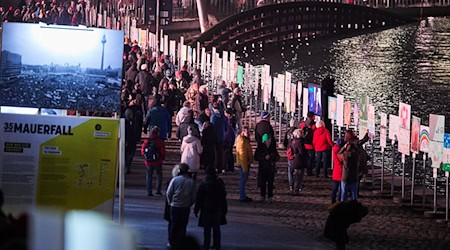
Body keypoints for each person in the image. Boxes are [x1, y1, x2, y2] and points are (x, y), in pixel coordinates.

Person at [194, 167, 228, 250]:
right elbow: (223, 196)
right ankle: (217, 245)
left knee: (207, 229)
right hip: (217, 207)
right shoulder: (219, 182)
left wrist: (196, 209)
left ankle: (206, 244)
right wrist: (224, 209)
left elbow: (199, 198)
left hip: (206, 208)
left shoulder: (204, 183)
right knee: (216, 228)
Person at [166, 163, 196, 249]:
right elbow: (193, 195)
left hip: (175, 205)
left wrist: (170, 202)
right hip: (185, 206)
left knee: (174, 225)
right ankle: (181, 242)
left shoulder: (175, 180)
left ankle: (172, 242)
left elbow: (169, 192)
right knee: (183, 225)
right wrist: (190, 204)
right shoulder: (191, 181)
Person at [254, 134, 280, 203]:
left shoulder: (272, 147)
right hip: (263, 167)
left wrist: (272, 157)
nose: (270, 141)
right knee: (263, 182)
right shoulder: (260, 147)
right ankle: (262, 196)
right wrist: (264, 157)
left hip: (271, 167)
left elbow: (277, 157)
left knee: (270, 183)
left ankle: (270, 197)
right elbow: (256, 157)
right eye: (269, 139)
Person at [141, 127, 166, 196]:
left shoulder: (147, 141)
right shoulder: (160, 142)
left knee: (149, 176)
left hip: (148, 162)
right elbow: (162, 152)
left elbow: (142, 151)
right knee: (159, 175)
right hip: (158, 162)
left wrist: (146, 157)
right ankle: (158, 190)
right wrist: (162, 159)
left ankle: (149, 191)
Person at [236, 127, 253, 202]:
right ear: (243, 132)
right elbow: (242, 155)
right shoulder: (242, 141)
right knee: (243, 180)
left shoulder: (244, 140)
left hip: (245, 162)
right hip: (244, 163)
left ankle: (242, 195)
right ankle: (242, 196)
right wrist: (245, 167)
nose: (249, 134)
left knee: (244, 180)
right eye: (247, 132)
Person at [290, 129, 307, 195]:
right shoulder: (300, 142)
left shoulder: (294, 141)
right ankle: (296, 190)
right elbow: (302, 152)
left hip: (295, 160)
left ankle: (293, 188)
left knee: (296, 175)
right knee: (299, 176)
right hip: (299, 160)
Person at [211, 102, 227, 173]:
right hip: (222, 135)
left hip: (215, 136)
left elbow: (212, 127)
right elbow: (226, 125)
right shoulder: (223, 115)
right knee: (221, 152)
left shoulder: (213, 117)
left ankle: (216, 167)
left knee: (216, 153)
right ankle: (222, 167)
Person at [300, 112, 316, 176]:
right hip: (311, 145)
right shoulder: (313, 125)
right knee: (310, 159)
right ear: (312, 117)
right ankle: (309, 171)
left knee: (304, 158)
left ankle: (303, 170)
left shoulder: (303, 124)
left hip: (303, 144)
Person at [283, 119, 297, 191]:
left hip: (289, 151)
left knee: (290, 169)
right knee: (296, 168)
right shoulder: (297, 132)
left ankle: (291, 183)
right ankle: (296, 184)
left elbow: (285, 143)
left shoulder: (288, 132)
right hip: (296, 152)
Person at [332, 139, 345, 204]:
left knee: (336, 188)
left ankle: (334, 200)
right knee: (339, 189)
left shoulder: (334, 150)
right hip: (340, 172)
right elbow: (338, 162)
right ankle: (338, 201)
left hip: (336, 173)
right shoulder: (339, 152)